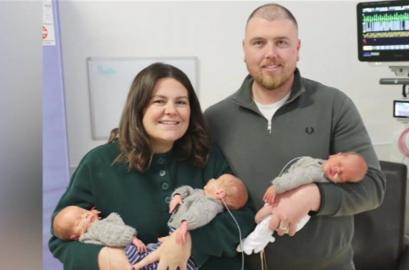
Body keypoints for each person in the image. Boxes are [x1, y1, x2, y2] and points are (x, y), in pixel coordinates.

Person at [204, 3, 386, 270]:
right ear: (244, 49)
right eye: (259, 43)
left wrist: (312, 197)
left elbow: (373, 188)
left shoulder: (334, 105)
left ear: (297, 49)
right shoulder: (215, 118)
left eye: (281, 42)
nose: (270, 53)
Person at [49, 62, 255, 270]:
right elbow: (61, 241)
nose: (171, 111)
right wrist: (102, 257)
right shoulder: (97, 163)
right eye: (159, 101)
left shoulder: (207, 155)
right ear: (138, 108)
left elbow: (243, 218)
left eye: (181, 102)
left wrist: (193, 244)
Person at [238, 152, 368, 254]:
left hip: (291, 209)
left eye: (341, 176)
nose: (337, 171)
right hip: (285, 201)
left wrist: (276, 187)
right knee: (263, 220)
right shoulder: (315, 167)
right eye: (339, 165)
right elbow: (293, 176)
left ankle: (251, 243)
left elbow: (293, 179)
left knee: (266, 223)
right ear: (336, 155)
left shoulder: (315, 173)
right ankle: (259, 241)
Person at [132, 173, 248, 270]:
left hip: (183, 237)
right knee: (159, 253)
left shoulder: (211, 204)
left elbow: (199, 214)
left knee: (161, 257)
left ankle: (137, 263)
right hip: (181, 238)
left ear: (220, 193)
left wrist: (185, 223)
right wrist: (178, 195)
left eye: (216, 180)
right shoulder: (200, 193)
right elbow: (187, 189)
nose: (212, 179)